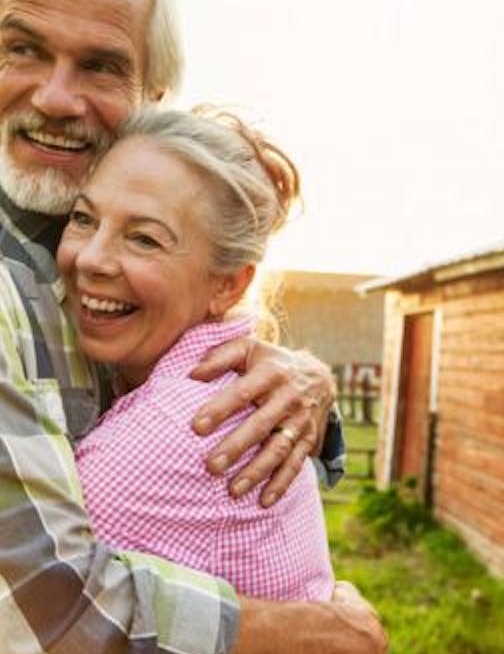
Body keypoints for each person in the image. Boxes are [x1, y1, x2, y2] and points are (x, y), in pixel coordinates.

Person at [0, 0, 388, 654]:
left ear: (150, 100)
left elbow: (194, 426)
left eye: (101, 65)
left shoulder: (114, 283)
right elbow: (18, 625)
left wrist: (300, 381)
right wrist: (310, 641)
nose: (58, 98)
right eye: (24, 49)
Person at [67, 107, 334, 603]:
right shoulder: (225, 387)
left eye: (144, 238)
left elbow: (22, 636)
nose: (91, 258)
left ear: (228, 284)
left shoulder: (163, 440)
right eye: (84, 218)